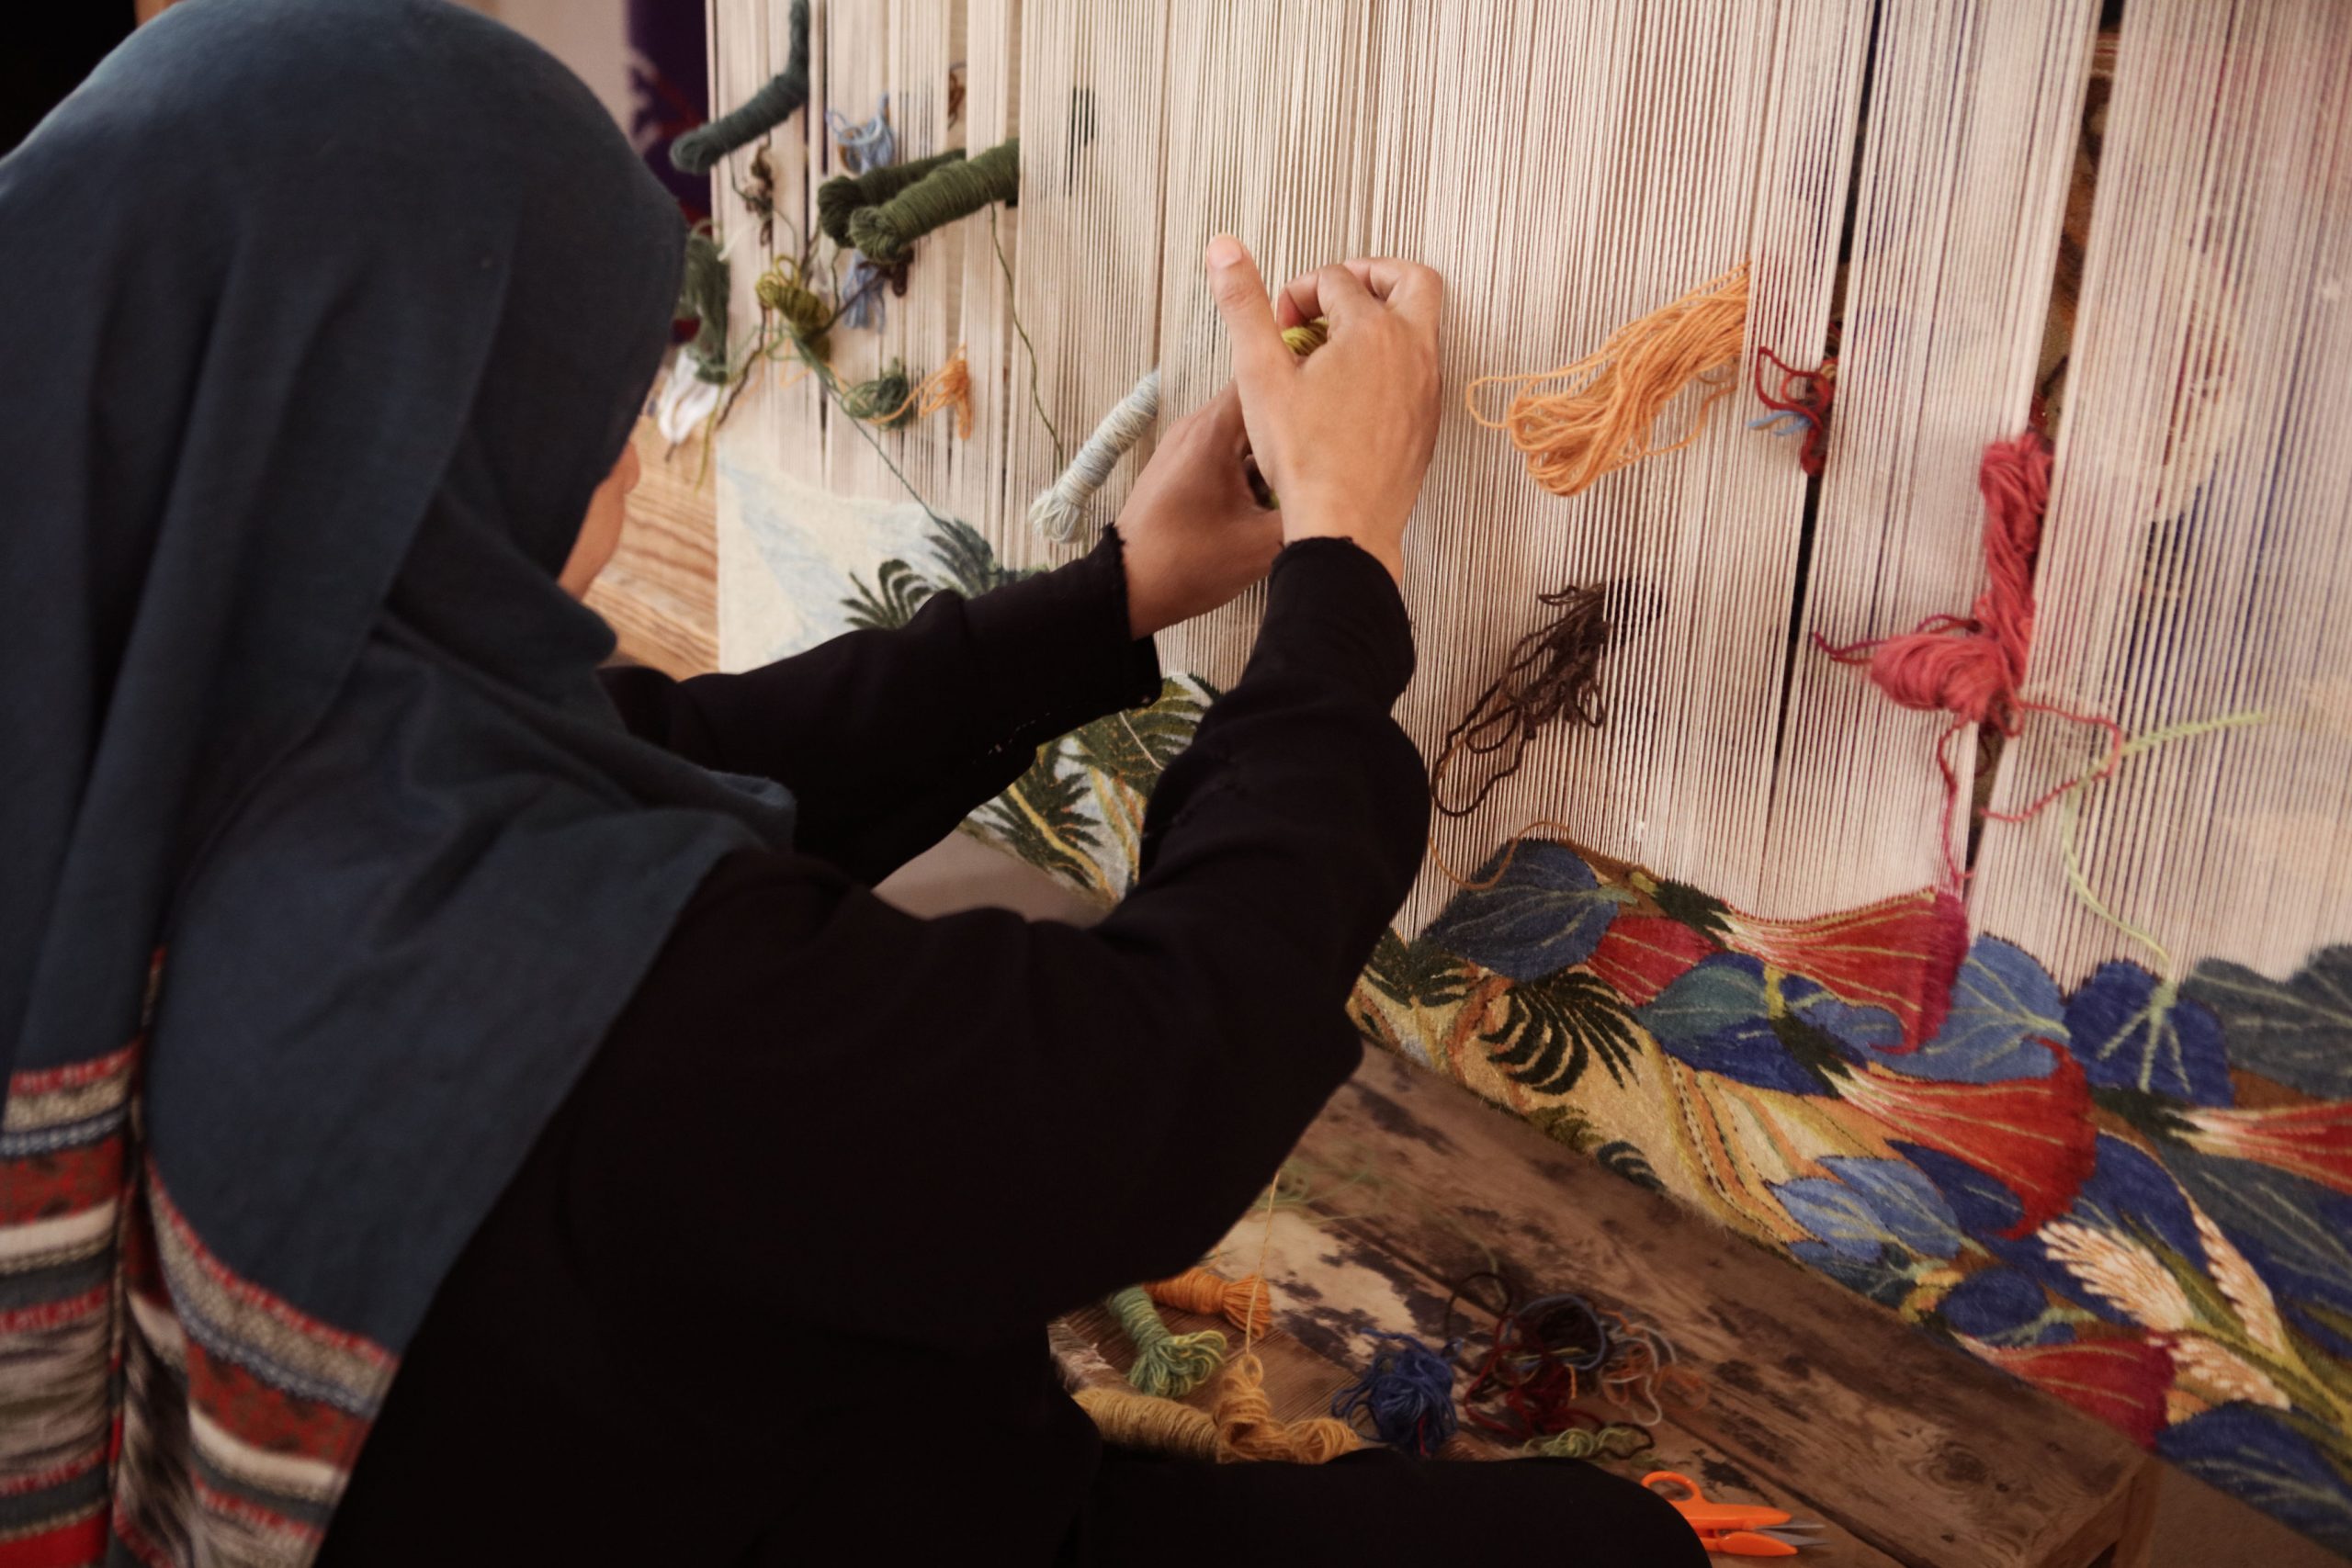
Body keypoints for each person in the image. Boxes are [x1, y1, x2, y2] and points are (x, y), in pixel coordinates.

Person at [0, 3, 1704, 1563]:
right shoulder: (548, 989)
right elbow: (1137, 1095)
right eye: (580, 386)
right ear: (397, 419)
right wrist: (1342, 568)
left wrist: (1111, 598)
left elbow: (682, 754)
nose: (628, 440)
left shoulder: (154, 745)